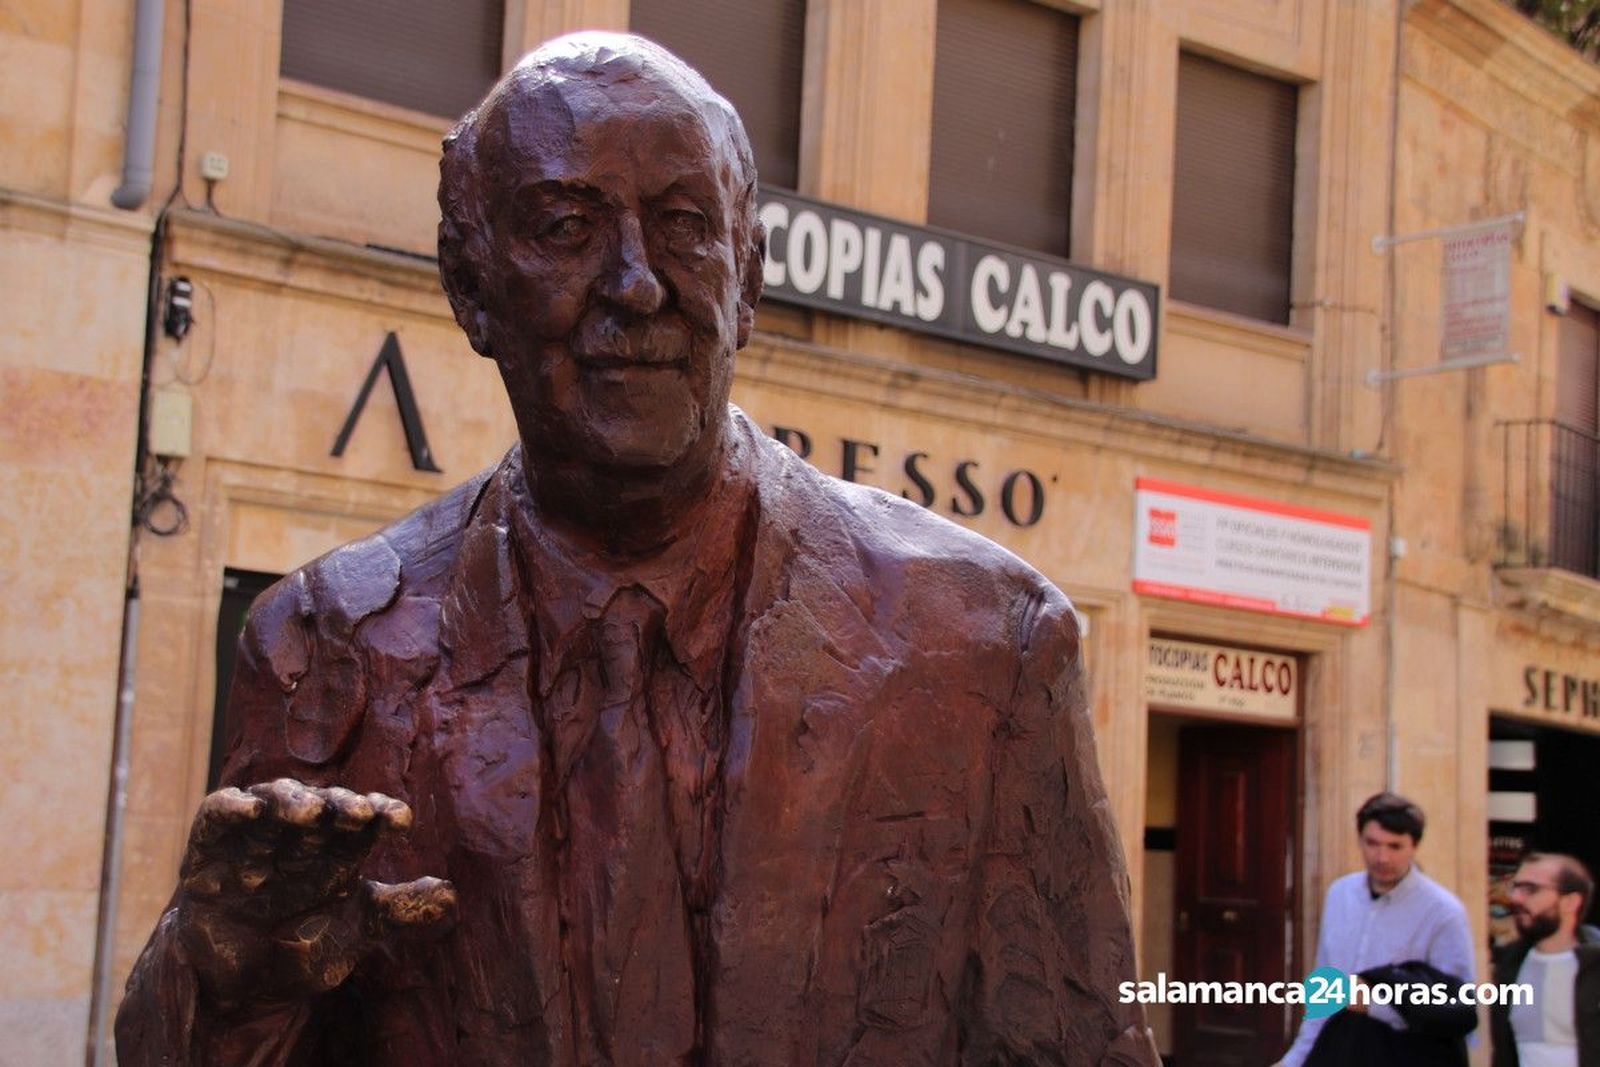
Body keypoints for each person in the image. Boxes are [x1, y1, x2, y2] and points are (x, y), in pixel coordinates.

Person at [115, 32, 1157, 1066]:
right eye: (566, 226)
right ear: (470, 283)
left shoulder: (983, 641)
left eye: (685, 227)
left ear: (746, 275)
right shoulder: (328, 641)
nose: (637, 283)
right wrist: (237, 988)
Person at [1276, 792, 1477, 1066]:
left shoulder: (1443, 911)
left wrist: (1374, 1006)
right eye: (1372, 843)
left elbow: (1457, 1006)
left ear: (1414, 846)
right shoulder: (1340, 894)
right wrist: (1295, 1059)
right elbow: (1325, 983)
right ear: (1359, 840)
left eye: (1395, 846)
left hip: (1407, 1051)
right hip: (1341, 1043)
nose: (1382, 857)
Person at [1490, 853, 1600, 1067]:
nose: (1516, 898)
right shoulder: (1510, 964)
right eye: (1516, 887)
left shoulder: (1594, 965)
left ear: (1570, 902)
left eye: (1531, 890)